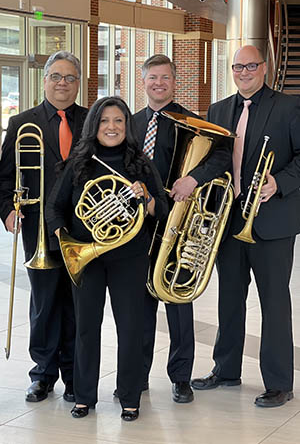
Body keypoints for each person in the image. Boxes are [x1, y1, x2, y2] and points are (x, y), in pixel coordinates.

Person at [45, 96, 168, 420]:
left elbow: (163, 212)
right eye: (104, 121)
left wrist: (149, 199)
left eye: (118, 121)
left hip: (129, 257)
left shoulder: (140, 164)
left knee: (131, 328)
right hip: (87, 257)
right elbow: (54, 209)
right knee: (86, 328)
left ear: (127, 126)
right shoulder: (79, 163)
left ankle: (130, 396)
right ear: (94, 125)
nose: (111, 127)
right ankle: (84, 396)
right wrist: (63, 237)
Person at [191, 45, 300, 408]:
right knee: (229, 299)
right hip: (229, 218)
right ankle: (225, 370)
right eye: (238, 66)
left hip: (272, 221)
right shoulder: (219, 109)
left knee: (274, 303)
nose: (244, 72)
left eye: (251, 65)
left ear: (264, 68)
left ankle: (279, 383)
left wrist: (279, 183)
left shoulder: (288, 106)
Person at [130, 54, 232, 403]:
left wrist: (194, 178)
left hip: (180, 221)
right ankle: (137, 375)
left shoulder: (191, 119)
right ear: (142, 81)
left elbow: (221, 155)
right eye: (152, 78)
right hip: (138, 224)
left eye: (165, 78)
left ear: (175, 82)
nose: (158, 83)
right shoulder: (129, 123)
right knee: (140, 303)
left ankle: (181, 377)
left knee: (177, 299)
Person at [0, 51, 88, 403]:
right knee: (44, 304)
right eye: (56, 76)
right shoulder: (22, 122)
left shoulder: (90, 119)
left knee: (77, 306)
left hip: (82, 228)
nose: (62, 83)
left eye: (69, 77)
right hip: (38, 229)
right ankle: (43, 375)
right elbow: (5, 177)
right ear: (45, 80)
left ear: (78, 83)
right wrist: (7, 210)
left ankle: (75, 375)